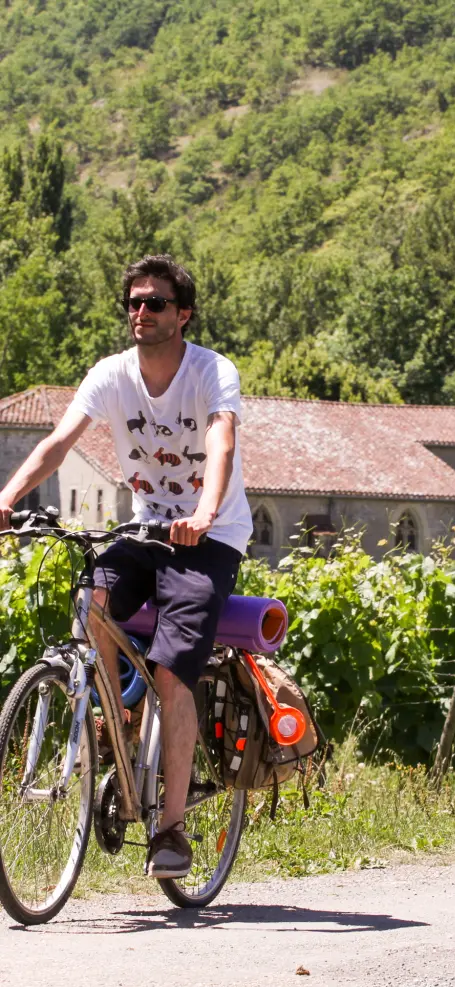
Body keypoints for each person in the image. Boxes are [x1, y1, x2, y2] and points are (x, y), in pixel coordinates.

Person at [0, 254, 253, 879]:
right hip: (142, 530)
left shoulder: (212, 372)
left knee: (172, 674)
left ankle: (170, 827)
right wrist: (6, 499)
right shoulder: (110, 375)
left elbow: (221, 440)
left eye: (155, 303)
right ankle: (115, 735)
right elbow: (59, 442)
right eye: (134, 303)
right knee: (92, 604)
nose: (141, 313)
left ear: (183, 313)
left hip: (210, 536)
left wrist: (204, 510)